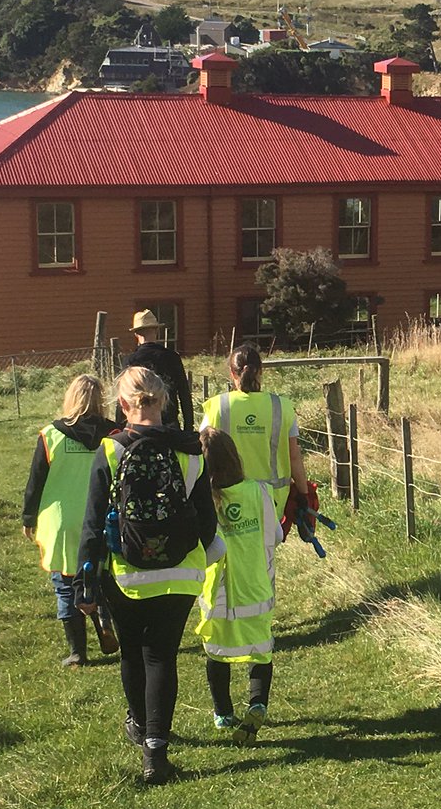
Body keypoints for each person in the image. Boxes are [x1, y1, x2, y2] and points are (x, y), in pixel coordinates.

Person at [77, 366, 220, 785]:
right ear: (165, 401)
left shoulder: (111, 449)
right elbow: (206, 520)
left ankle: (139, 727)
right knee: (162, 655)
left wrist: (85, 580)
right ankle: (157, 752)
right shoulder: (192, 450)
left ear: (122, 405)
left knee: (132, 653)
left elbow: (92, 523)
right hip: (181, 570)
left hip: (127, 572)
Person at [22, 374, 120, 667]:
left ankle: (78, 652)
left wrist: (29, 517)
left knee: (65, 583)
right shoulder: (114, 434)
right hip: (101, 517)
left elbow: (35, 481)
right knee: (102, 577)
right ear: (100, 400)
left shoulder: (51, 434)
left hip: (61, 522)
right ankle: (105, 620)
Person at [197, 427, 283, 745]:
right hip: (257, 586)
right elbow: (276, 535)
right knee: (261, 652)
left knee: (216, 653)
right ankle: (257, 703)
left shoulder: (204, 500)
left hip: (218, 592)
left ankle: (223, 712)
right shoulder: (259, 491)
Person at [200, 343, 309, 516]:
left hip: (229, 498)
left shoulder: (218, 406)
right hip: (272, 499)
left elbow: (202, 453)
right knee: (266, 543)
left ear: (231, 373)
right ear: (261, 371)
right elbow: (294, 456)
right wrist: (304, 493)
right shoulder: (282, 407)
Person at [117, 309, 193, 431]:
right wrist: (189, 427)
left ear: (136, 334)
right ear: (156, 331)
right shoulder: (172, 357)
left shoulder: (130, 361)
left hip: (138, 426)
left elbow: (123, 396)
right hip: (169, 425)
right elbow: (184, 394)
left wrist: (120, 428)